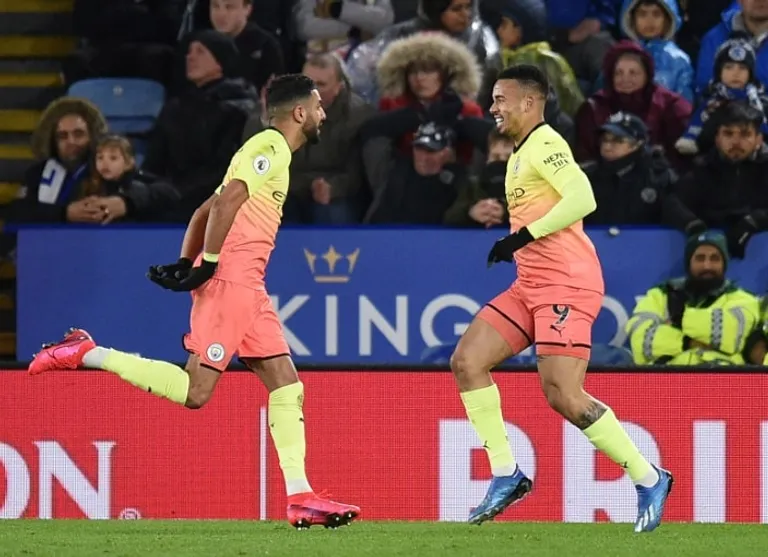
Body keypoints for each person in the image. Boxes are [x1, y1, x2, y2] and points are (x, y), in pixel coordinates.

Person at [27, 74, 360, 530]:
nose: (323, 114)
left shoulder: (260, 150)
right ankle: (86, 352)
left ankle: (301, 497)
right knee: (195, 391)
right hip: (232, 280)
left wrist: (188, 261)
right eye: (318, 107)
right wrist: (209, 265)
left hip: (248, 284)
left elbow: (207, 206)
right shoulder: (271, 146)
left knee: (286, 384)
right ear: (299, 112)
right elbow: (225, 205)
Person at [450, 64, 673, 533]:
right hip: (531, 283)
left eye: (501, 99)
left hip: (566, 283)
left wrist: (521, 236)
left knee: (564, 395)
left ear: (530, 102)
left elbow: (583, 197)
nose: (493, 107)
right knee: (468, 362)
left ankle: (649, 477)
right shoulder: (519, 152)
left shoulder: (546, 143)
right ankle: (506, 473)